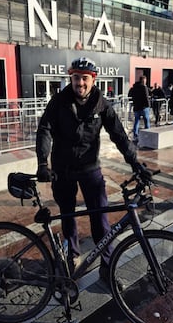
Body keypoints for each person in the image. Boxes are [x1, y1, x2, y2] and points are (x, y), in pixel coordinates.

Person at [35, 57, 151, 287]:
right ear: (71, 78)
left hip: (90, 169)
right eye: (76, 78)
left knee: (100, 218)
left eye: (85, 78)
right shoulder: (58, 101)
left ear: (93, 80)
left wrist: (135, 163)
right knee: (68, 215)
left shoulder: (102, 104)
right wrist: (42, 163)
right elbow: (45, 130)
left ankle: (107, 268)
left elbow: (119, 135)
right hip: (62, 169)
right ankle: (72, 256)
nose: (80, 83)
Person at [128, 75, 150, 141]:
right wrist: (148, 105)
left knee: (136, 121)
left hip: (136, 107)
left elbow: (130, 96)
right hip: (144, 107)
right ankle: (148, 135)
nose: (145, 82)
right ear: (143, 81)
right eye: (145, 81)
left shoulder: (134, 88)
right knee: (146, 121)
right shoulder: (144, 87)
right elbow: (146, 97)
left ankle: (135, 135)